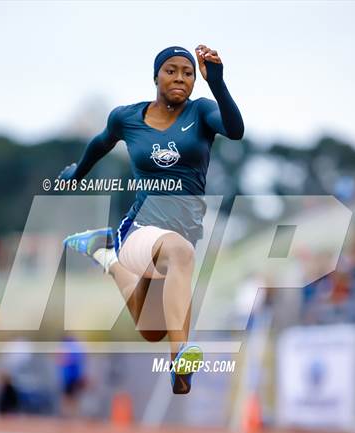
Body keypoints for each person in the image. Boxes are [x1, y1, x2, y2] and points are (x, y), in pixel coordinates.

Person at [61, 45, 244, 394]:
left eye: (188, 73)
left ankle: (108, 258)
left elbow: (235, 131)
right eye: (171, 70)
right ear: (156, 76)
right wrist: (77, 174)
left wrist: (217, 84)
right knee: (181, 254)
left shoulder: (202, 112)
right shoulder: (126, 118)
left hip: (182, 232)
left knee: (151, 329)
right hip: (141, 227)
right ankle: (180, 361)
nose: (180, 78)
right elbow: (100, 143)